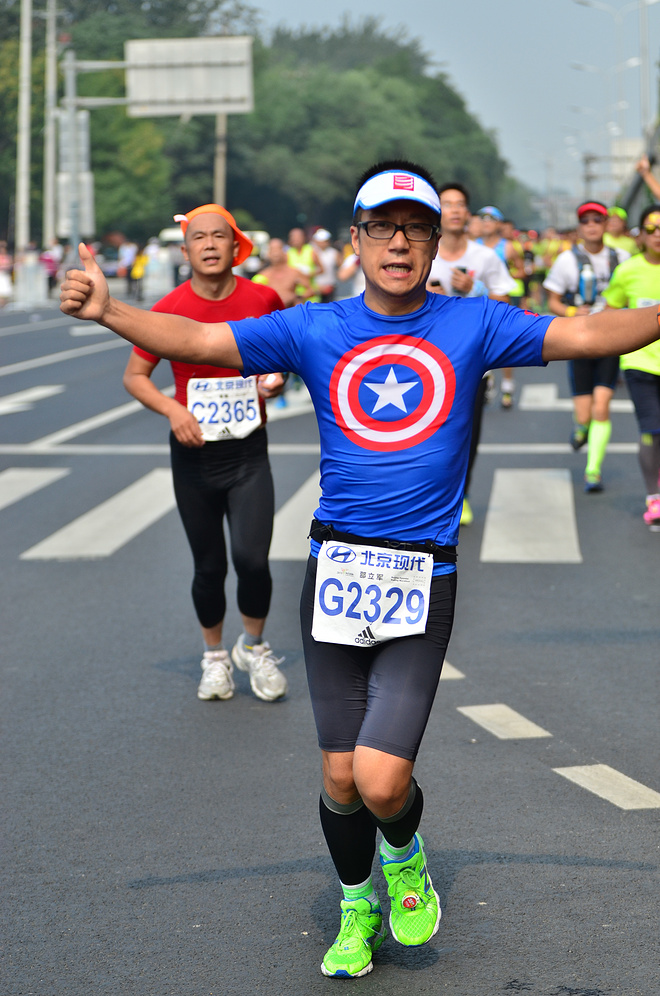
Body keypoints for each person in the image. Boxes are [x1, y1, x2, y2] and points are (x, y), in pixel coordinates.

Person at [61, 160, 660, 980]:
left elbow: (588, 334)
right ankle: (356, 903)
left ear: (434, 240)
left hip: (423, 579)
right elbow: (199, 342)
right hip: (335, 572)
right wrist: (108, 312)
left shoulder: (472, 323)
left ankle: (405, 859)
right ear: (358, 240)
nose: (401, 243)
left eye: (417, 229)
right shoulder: (315, 327)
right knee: (340, 776)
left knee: (382, 782)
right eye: (384, 228)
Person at [121, 204, 288, 703]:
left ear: (237, 246)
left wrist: (276, 381)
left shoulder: (263, 299)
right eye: (200, 237)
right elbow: (134, 377)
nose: (211, 244)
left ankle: (254, 647)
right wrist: (175, 412)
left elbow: (285, 358)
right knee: (209, 566)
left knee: (253, 560)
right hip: (194, 455)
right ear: (186, 250)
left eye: (221, 236)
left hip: (248, 453)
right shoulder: (169, 307)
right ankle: (214, 657)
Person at [426, 182, 517, 525]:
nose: (453, 209)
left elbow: (505, 306)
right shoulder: (421, 253)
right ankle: (430, 496)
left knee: (467, 432)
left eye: (459, 204)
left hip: (471, 362)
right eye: (446, 203)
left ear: (467, 213)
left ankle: (460, 495)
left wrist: (476, 290)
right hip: (423, 360)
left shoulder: (484, 258)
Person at [544, 201, 629, 492]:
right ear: (580, 227)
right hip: (579, 341)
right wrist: (570, 313)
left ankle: (593, 471)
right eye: (586, 221)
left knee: (602, 406)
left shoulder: (623, 257)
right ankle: (581, 429)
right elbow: (552, 300)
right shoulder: (567, 260)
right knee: (584, 415)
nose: (592, 225)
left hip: (611, 340)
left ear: (606, 224)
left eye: (597, 220)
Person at [603, 203, 660, 530]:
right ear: (640, 235)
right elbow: (610, 313)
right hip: (640, 364)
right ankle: (653, 496)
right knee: (652, 430)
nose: (657, 235)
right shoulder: (627, 271)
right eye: (651, 229)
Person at [476, 206, 523, 407]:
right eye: (483, 218)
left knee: (504, 343)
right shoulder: (472, 246)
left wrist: (504, 279)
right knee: (479, 344)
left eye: (491, 219)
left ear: (498, 224)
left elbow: (521, 270)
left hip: (501, 303)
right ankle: (485, 379)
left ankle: (508, 386)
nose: (486, 222)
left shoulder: (508, 247)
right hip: (477, 303)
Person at [252, 237, 315, 307]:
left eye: (278, 249)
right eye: (272, 249)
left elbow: (311, 290)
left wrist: (297, 297)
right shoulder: (263, 275)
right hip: (272, 314)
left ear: (284, 252)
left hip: (290, 312)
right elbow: (254, 297)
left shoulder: (294, 272)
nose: (275, 253)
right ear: (268, 254)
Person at [311, 228, 342, 302]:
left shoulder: (334, 253)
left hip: (330, 285)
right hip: (316, 286)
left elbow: (341, 267)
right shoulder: (312, 252)